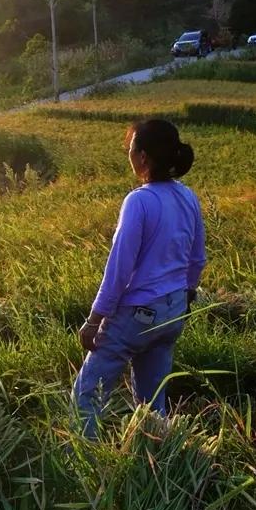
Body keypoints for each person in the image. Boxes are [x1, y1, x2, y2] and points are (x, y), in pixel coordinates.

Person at [73, 119, 206, 438]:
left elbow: (119, 269)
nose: (128, 154)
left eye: (130, 148)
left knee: (87, 395)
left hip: (138, 314)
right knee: (151, 404)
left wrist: (95, 320)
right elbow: (197, 258)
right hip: (173, 310)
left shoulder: (140, 201)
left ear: (143, 157)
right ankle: (157, 461)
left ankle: (84, 468)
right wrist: (184, 297)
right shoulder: (187, 197)